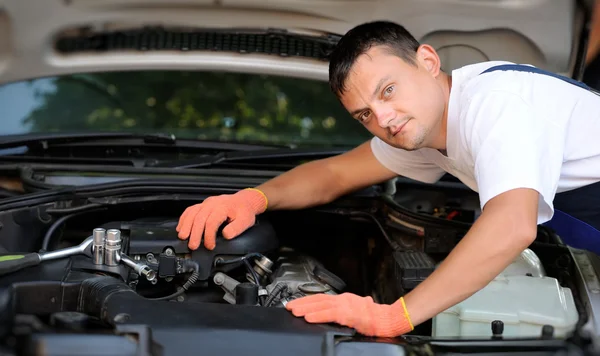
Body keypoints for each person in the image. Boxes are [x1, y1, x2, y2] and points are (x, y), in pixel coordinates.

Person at [176, 21, 600, 337]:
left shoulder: (494, 106)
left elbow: (512, 224)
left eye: (388, 90)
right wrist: (252, 198)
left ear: (428, 62)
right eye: (364, 114)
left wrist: (396, 315)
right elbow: (335, 173)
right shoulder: (429, 132)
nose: (383, 119)